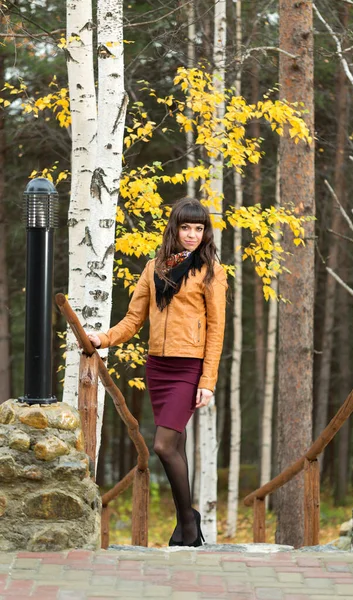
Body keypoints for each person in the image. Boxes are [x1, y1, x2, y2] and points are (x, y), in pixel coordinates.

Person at [87, 197, 227, 547]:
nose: (193, 235)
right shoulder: (154, 268)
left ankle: (189, 527)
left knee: (163, 446)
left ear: (205, 232)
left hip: (189, 367)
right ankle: (188, 523)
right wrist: (102, 339)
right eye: (186, 227)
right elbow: (134, 320)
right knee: (174, 447)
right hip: (158, 367)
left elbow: (216, 331)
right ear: (175, 229)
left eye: (199, 228)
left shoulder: (211, 271)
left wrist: (207, 382)